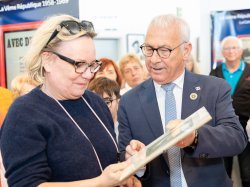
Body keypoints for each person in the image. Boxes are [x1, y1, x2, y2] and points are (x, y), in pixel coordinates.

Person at [0, 14, 137, 187]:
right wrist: (99, 183)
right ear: (48, 60)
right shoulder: (23, 115)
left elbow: (103, 160)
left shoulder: (95, 103)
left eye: (92, 65)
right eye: (79, 64)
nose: (89, 75)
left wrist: (127, 164)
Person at [118, 14, 247, 187]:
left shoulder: (214, 89)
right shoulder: (129, 101)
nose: (154, 59)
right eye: (148, 49)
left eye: (164, 50)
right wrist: (135, 163)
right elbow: (123, 156)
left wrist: (194, 138)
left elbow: (236, 138)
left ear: (186, 50)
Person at [210, 35, 250, 187]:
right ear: (222, 52)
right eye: (227, 48)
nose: (231, 51)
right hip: (222, 129)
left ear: (241, 50)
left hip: (247, 128)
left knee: (247, 173)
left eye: (234, 47)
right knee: (223, 173)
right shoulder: (214, 73)